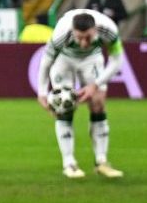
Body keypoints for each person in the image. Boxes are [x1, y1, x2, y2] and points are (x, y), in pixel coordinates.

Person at [35, 9, 125, 180]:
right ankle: (69, 163)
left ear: (96, 30)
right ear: (73, 31)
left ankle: (102, 162)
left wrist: (95, 85)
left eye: (88, 38)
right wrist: (41, 92)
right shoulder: (62, 32)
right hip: (64, 60)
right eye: (79, 37)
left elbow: (117, 60)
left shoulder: (109, 29)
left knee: (98, 103)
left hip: (92, 59)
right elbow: (46, 62)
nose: (84, 43)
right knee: (64, 107)